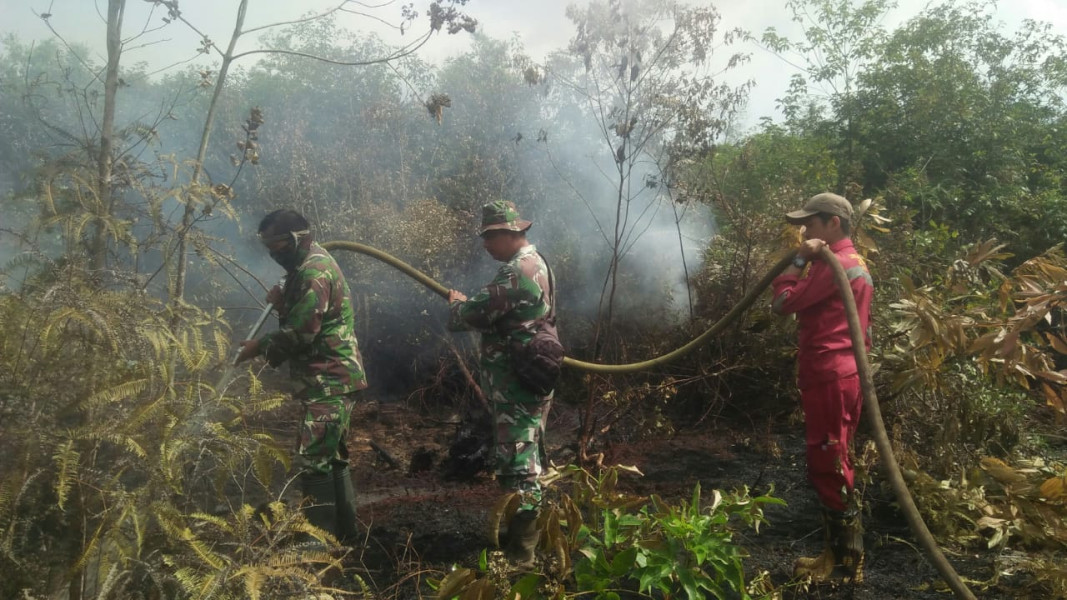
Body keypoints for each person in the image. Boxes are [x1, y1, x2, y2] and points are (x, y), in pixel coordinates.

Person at [235, 209, 368, 547]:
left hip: (329, 379)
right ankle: (344, 535)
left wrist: (257, 347)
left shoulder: (313, 272)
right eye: (267, 246)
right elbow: (305, 318)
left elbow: (303, 332)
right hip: (330, 378)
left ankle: (318, 542)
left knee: (312, 458)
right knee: (331, 455)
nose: (273, 252)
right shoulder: (304, 268)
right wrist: (282, 304)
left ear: (296, 239)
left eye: (277, 244)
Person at [446, 200, 555, 567]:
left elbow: (474, 314)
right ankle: (522, 540)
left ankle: (521, 554)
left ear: (509, 234)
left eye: (489, 238)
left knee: (519, 466)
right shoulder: (538, 263)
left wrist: (457, 304)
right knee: (527, 457)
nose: (485, 246)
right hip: (529, 378)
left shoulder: (516, 272)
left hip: (515, 385)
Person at [770, 192, 872, 584]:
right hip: (840, 375)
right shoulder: (854, 262)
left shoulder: (835, 265)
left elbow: (782, 303)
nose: (804, 231)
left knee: (828, 463)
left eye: (810, 224)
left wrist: (798, 260)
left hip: (832, 375)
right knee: (836, 461)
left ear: (833, 223)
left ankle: (845, 565)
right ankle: (839, 556)